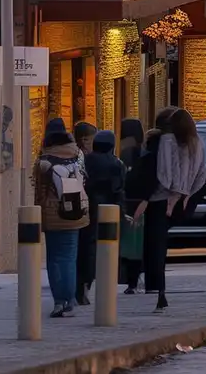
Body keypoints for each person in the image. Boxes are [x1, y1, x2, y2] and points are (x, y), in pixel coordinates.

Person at [141, 108, 205, 310]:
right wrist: (185, 194)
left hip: (161, 199)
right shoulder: (197, 142)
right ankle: (158, 290)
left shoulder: (166, 141)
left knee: (156, 246)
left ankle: (158, 289)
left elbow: (165, 173)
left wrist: (171, 194)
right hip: (184, 200)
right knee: (161, 244)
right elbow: (201, 176)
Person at [33, 118, 90, 317]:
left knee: (54, 259)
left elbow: (38, 190)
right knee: (69, 258)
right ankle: (70, 300)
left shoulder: (43, 160)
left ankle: (59, 301)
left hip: (53, 215)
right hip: (76, 212)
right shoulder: (78, 155)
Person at [78, 129, 125, 305]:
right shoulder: (116, 164)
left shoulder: (86, 161)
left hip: (86, 210)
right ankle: (100, 288)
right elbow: (118, 190)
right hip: (108, 213)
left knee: (85, 250)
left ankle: (82, 285)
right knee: (105, 253)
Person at [116, 118, 146, 292]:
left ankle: (131, 282)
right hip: (142, 203)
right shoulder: (144, 152)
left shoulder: (125, 154)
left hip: (128, 203)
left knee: (128, 245)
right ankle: (134, 281)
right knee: (136, 245)